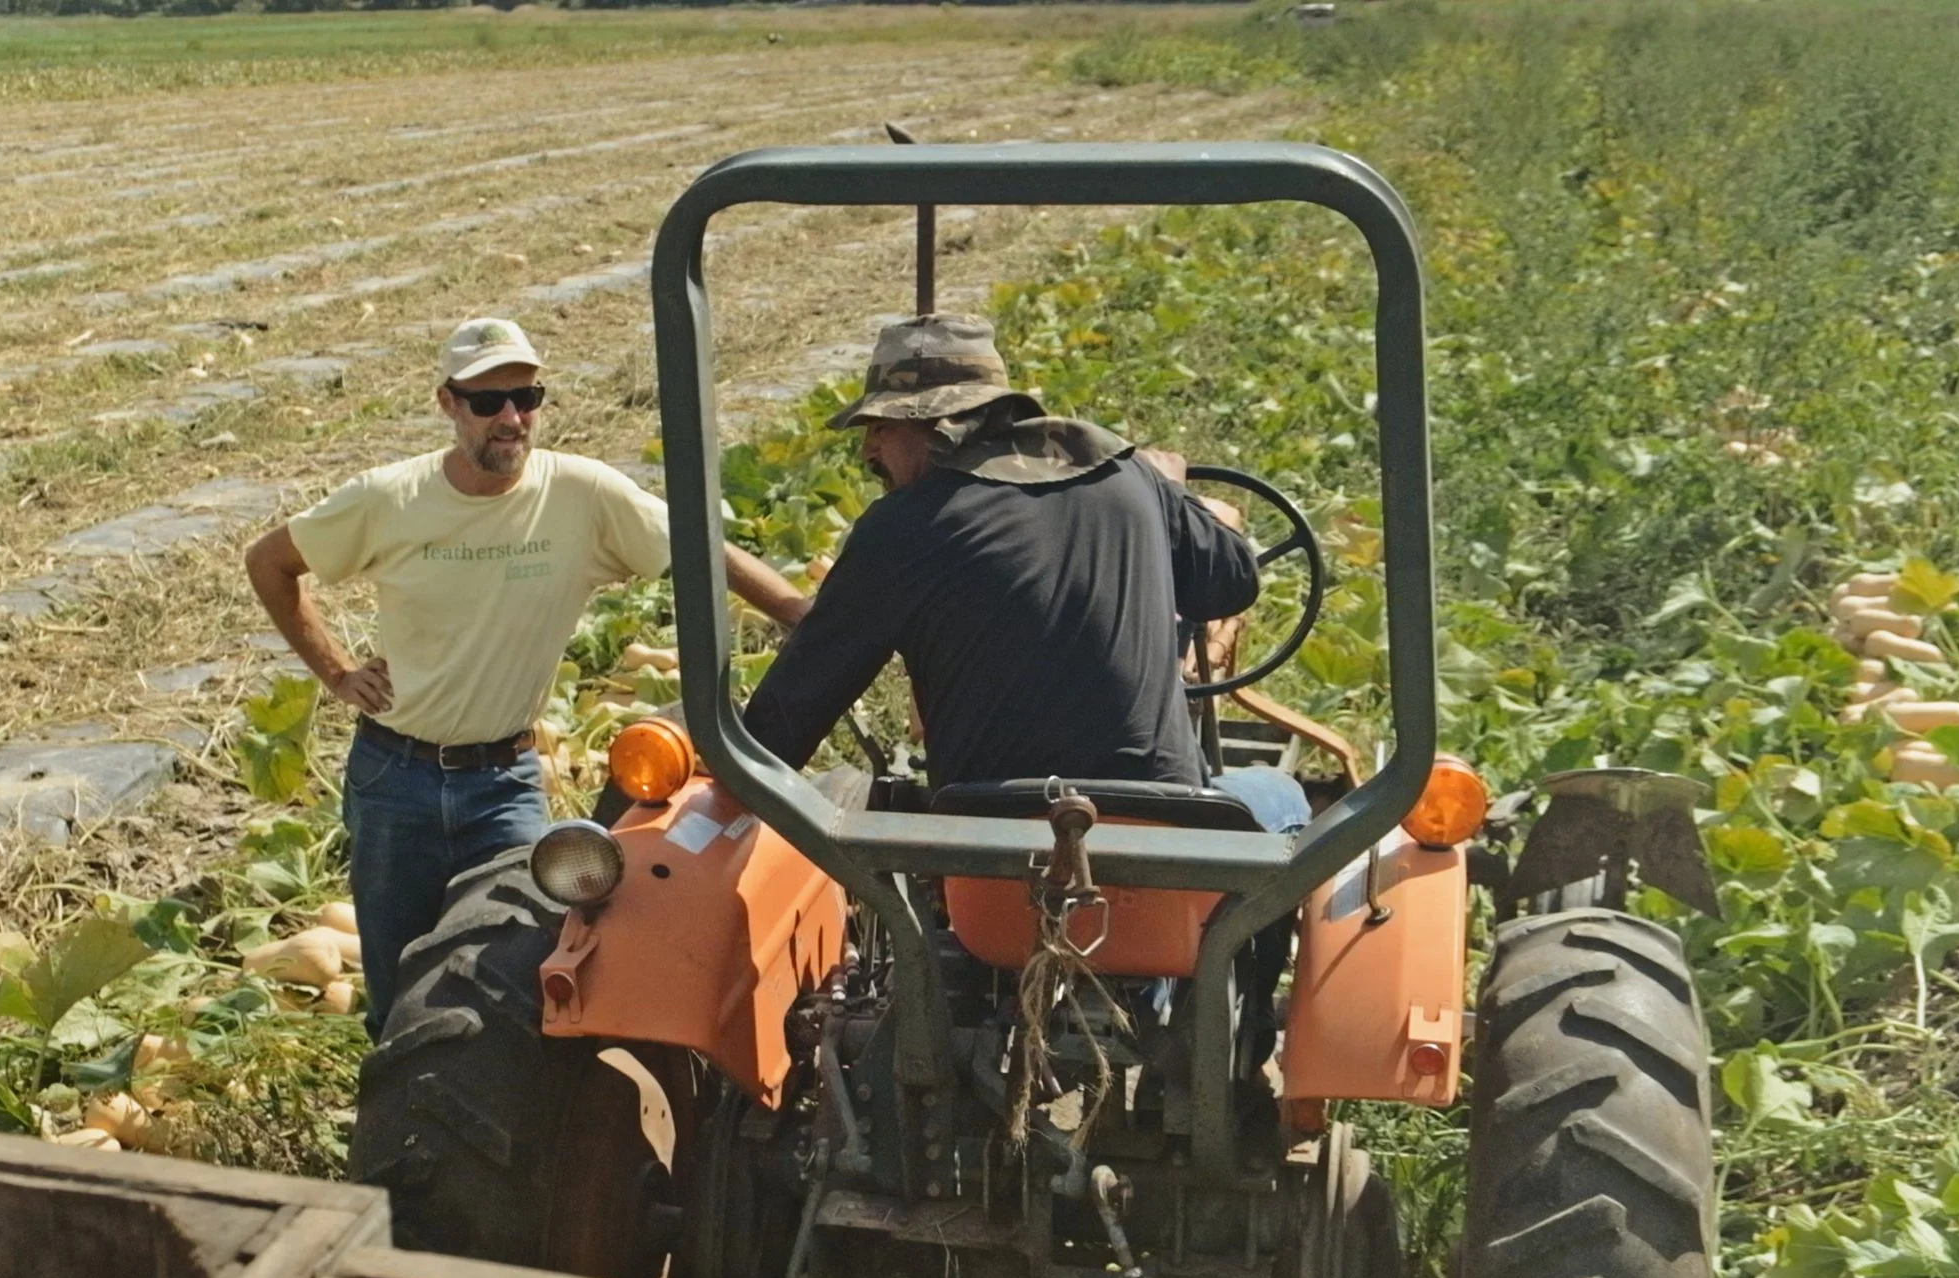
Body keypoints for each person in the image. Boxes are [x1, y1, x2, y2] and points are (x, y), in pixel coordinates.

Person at [245, 317, 808, 1037]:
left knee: (527, 976)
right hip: (395, 781)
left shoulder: (579, 494)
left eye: (526, 397)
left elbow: (701, 545)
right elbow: (270, 562)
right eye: (488, 403)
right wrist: (336, 672)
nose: (511, 418)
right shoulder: (390, 499)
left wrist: (804, 616)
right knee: (396, 995)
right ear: (447, 404)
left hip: (503, 785)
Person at [741, 312, 1310, 834]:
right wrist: (1174, 496)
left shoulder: (897, 530)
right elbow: (1232, 581)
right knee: (1281, 792)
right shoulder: (1127, 474)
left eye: (882, 427)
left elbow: (780, 729)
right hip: (1165, 843)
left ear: (937, 426)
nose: (868, 449)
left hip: (980, 860)